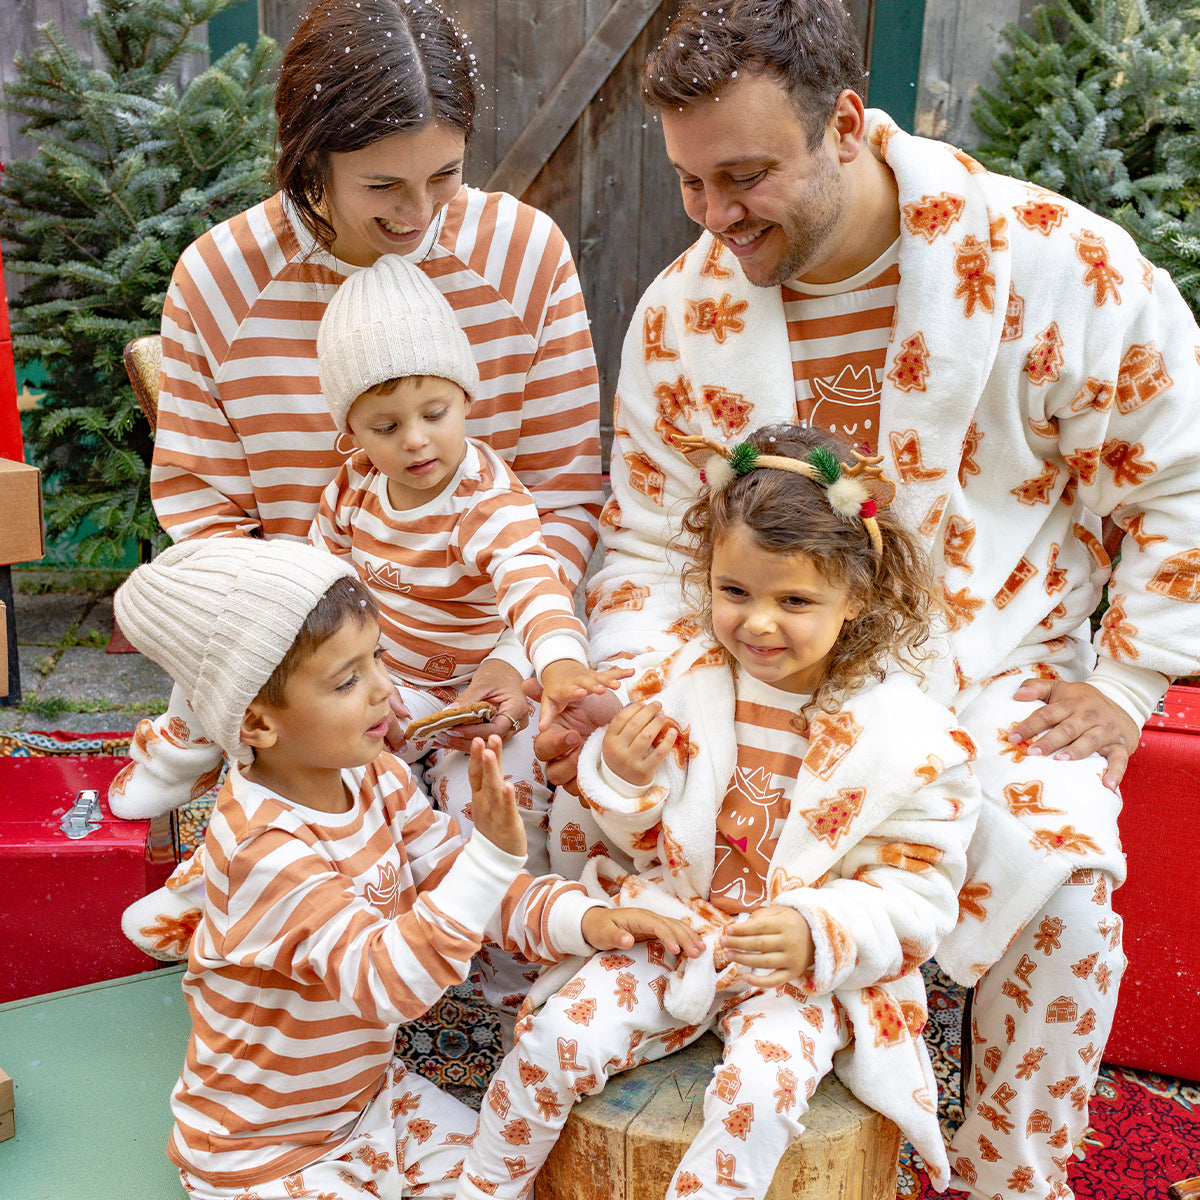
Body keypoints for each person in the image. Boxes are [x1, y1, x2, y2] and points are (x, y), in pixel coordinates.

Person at [537, 3, 1200, 1196]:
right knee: (598, 795)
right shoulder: (682, 314)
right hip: (749, 663)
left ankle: (1011, 1177)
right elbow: (641, 546)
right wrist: (634, 694)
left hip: (990, 664)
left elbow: (1179, 462)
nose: (714, 218)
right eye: (690, 183)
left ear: (845, 124)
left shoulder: (1059, 266)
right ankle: (653, 1052)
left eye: (744, 176)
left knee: (1065, 881)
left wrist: (1128, 676)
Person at [457, 424, 980, 1199]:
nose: (757, 623)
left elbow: (921, 891)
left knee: (761, 1098)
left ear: (858, 596)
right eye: (734, 592)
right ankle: (482, 1187)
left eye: (794, 600)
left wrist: (818, 930)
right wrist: (624, 776)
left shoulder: (910, 743)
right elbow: (643, 844)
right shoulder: (683, 682)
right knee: (555, 1036)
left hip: (795, 974)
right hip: (678, 929)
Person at [110, 0, 603, 821]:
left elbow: (560, 493)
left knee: (526, 817)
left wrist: (514, 653)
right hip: (296, 660)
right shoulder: (218, 281)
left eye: (443, 176)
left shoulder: (525, 257)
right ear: (309, 158)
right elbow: (209, 525)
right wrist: (322, 684)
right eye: (383, 186)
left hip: (488, 640)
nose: (419, 216)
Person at [111, 538, 702, 1200]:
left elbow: (465, 884)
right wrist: (491, 855)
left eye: (378, 659)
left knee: (506, 1186)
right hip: (267, 1156)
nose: (384, 691)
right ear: (256, 722)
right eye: (347, 680)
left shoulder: (375, 774)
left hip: (371, 1104)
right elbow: (390, 982)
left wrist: (589, 919)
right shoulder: (260, 851)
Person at [310, 252, 628, 1015]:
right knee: (343, 778)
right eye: (385, 426)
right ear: (350, 428)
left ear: (465, 398)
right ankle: (372, 934)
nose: (416, 441)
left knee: (492, 790)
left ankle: (511, 973)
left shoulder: (485, 499)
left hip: (490, 684)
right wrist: (358, 687)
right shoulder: (350, 491)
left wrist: (552, 668)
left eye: (435, 414)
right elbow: (319, 596)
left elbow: (533, 586)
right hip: (399, 678)